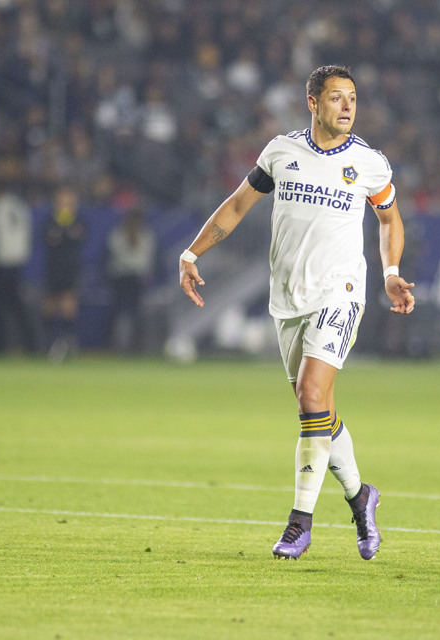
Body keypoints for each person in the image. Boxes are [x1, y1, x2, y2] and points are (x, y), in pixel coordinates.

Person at [178, 65, 415, 560]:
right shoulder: (282, 152)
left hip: (341, 292)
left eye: (352, 97)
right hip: (287, 299)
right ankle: (360, 497)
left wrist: (391, 270)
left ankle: (298, 524)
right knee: (317, 411)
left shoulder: (369, 163)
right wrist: (192, 253)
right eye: (336, 97)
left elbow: (389, 218)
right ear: (313, 103)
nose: (347, 106)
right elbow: (238, 205)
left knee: (311, 394)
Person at [0, 170, 37, 353]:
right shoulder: (21, 206)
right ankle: (31, 344)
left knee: (1, 307)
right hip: (17, 261)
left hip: (1, 261)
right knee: (16, 305)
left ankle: (1, 345)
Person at [43, 185, 86, 359]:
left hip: (71, 269)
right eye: (62, 202)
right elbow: (48, 240)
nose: (66, 205)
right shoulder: (49, 222)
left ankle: (67, 341)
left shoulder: (79, 222)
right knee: (50, 305)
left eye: (69, 202)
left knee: (69, 302)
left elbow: (80, 238)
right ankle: (50, 342)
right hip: (53, 269)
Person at [106, 207, 156, 353]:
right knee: (119, 315)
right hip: (121, 279)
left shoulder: (146, 236)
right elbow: (118, 257)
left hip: (137, 280)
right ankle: (116, 348)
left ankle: (137, 348)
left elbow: (146, 260)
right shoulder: (118, 236)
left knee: (138, 315)